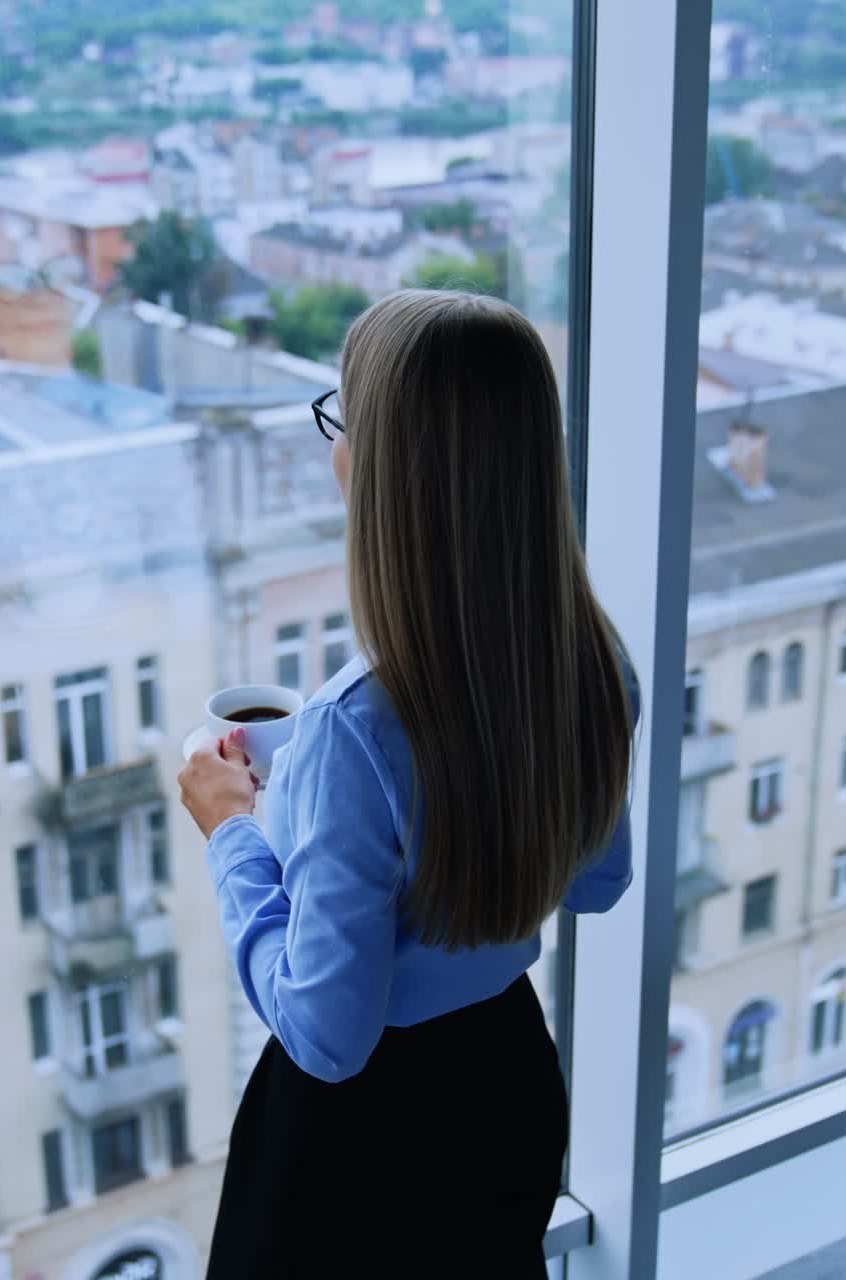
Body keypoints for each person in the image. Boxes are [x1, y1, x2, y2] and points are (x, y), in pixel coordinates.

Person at [178, 289, 638, 1279]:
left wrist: (233, 837)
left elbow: (324, 1033)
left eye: (340, 420)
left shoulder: (354, 729)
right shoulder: (590, 661)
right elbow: (598, 882)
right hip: (508, 1080)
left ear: (377, 468)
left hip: (359, 1146)